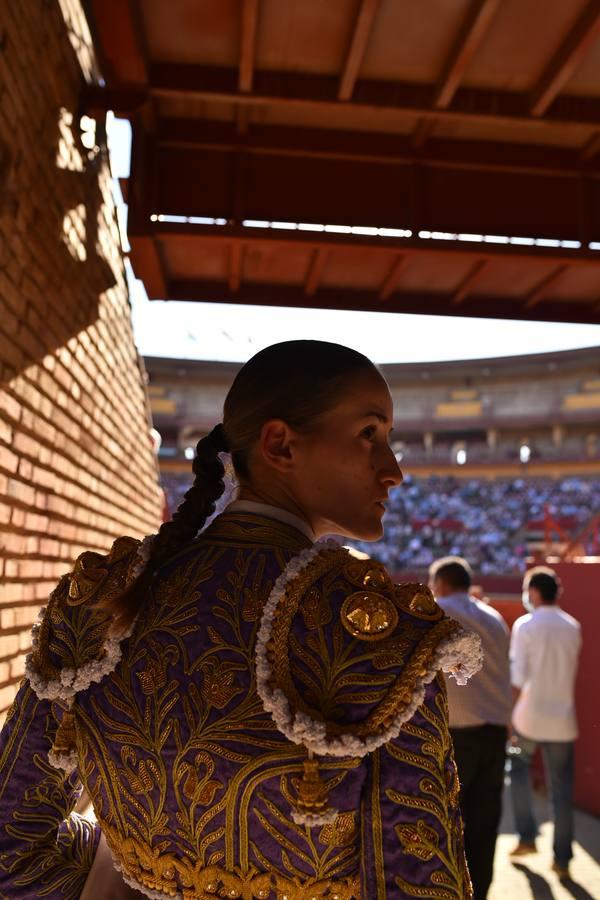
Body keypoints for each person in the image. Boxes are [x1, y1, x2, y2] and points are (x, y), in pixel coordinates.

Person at [0, 340, 482, 899]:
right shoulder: (379, 638)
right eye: (369, 435)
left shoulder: (104, 596)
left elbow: (13, 842)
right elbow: (420, 884)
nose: (393, 470)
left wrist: (116, 872)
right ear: (279, 444)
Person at [429, 556, 512, 900]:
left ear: (442, 584)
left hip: (454, 737)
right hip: (494, 733)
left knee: (445, 823)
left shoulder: (434, 611)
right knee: (484, 821)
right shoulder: (495, 619)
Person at [509, 565, 582, 881]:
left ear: (534, 592)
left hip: (531, 715)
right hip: (563, 718)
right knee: (562, 790)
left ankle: (527, 837)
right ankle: (562, 858)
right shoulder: (572, 626)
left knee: (518, 769)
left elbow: (519, 676)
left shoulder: (526, 625)